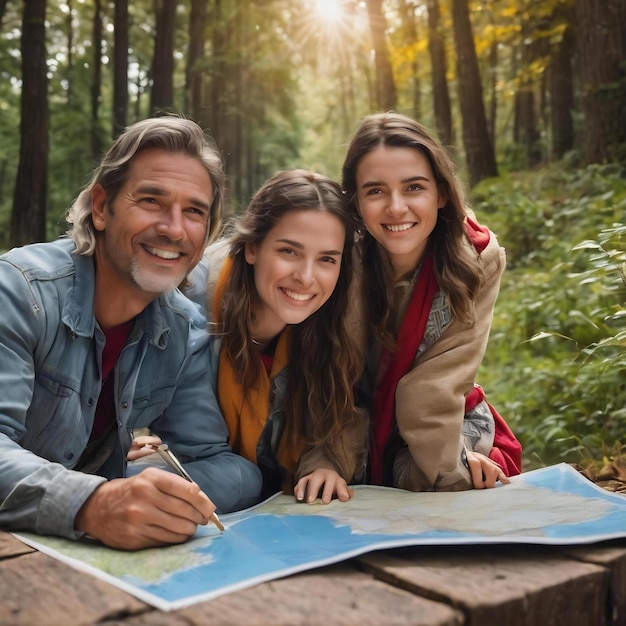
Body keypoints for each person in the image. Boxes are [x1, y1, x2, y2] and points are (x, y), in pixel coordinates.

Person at [0, 116, 262, 550]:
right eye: (152, 201)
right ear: (101, 208)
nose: (174, 229)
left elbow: (224, 467)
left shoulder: (184, 329)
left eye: (194, 211)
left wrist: (145, 489)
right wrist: (95, 502)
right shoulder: (19, 292)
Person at [341, 112, 522, 492]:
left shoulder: (476, 259)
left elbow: (437, 383)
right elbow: (332, 373)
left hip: (438, 420)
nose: (395, 207)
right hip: (346, 419)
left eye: (413, 188)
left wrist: (453, 465)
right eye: (375, 190)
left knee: (449, 484)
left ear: (440, 192)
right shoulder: (336, 259)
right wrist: (326, 458)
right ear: (355, 201)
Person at [187, 169, 367, 504]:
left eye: (327, 259)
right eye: (289, 252)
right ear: (253, 248)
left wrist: (323, 463)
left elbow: (347, 410)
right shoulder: (194, 305)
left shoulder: (336, 320)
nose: (306, 277)